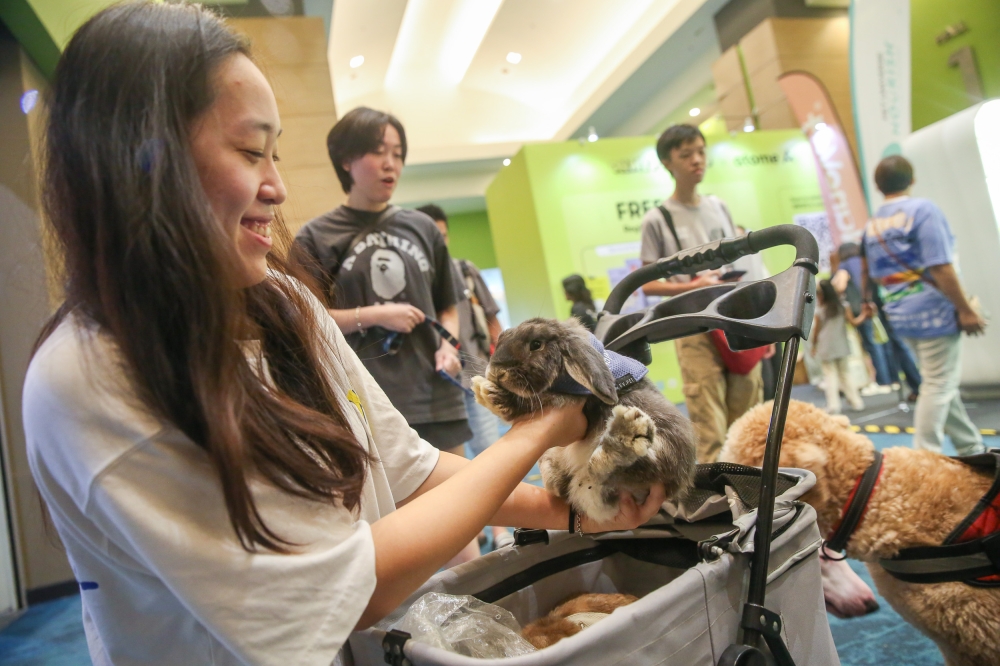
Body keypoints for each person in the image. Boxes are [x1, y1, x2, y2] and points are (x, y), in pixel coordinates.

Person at [23, 5, 665, 664]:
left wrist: (575, 511)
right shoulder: (92, 377)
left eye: (275, 152)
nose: (275, 186)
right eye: (249, 152)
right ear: (142, 160)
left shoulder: (283, 301)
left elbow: (405, 466)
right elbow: (341, 588)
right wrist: (537, 434)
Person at [292, 108, 472, 453]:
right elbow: (303, 316)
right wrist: (374, 315)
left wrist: (449, 346)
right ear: (346, 160)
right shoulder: (317, 236)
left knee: (464, 500)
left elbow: (448, 304)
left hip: (435, 397)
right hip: (364, 400)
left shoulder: (423, 228)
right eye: (378, 151)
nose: (391, 163)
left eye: (398, 154)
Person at [639, 124, 763, 463]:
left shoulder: (719, 207)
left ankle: (758, 494)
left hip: (734, 317)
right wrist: (691, 286)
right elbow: (646, 281)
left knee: (750, 417)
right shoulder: (658, 218)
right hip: (692, 326)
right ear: (668, 163)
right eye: (686, 155)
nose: (697, 161)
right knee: (708, 423)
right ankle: (718, 503)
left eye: (701, 152)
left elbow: (740, 259)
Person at [862, 155, 986, 455]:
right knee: (938, 384)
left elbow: (867, 270)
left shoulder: (873, 224)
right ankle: (924, 455)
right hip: (934, 310)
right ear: (912, 179)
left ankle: (971, 448)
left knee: (937, 381)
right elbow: (941, 266)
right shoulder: (923, 211)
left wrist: (868, 301)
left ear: (878, 186)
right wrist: (965, 309)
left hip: (899, 313)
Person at [417, 203, 511, 555]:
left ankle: (500, 529)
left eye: (443, 236)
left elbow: (492, 321)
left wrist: (501, 364)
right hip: (437, 387)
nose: (438, 242)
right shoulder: (417, 279)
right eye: (432, 236)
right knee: (454, 467)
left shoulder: (466, 271)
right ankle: (471, 532)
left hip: (476, 377)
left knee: (490, 451)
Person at [835, 242, 922, 399]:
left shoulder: (845, 264)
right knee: (891, 344)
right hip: (884, 305)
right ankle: (902, 381)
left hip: (864, 309)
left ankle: (883, 382)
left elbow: (839, 285)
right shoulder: (869, 260)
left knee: (874, 345)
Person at [811, 280, 865, 414]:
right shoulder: (843, 306)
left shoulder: (820, 310)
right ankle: (856, 402)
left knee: (830, 376)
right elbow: (853, 322)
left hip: (825, 346)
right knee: (845, 374)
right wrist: (864, 314)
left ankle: (833, 405)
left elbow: (817, 331)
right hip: (841, 344)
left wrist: (813, 345)